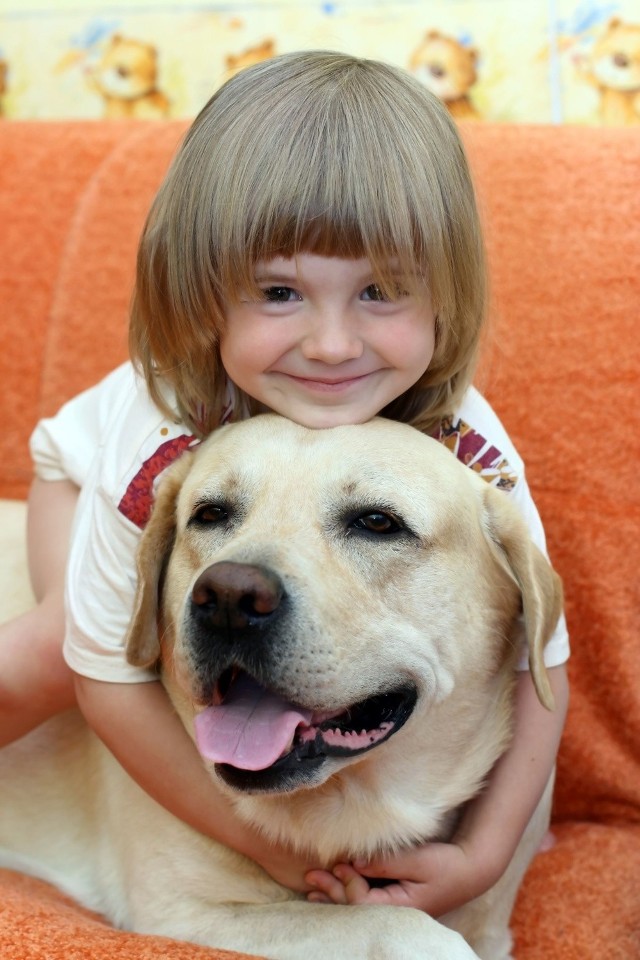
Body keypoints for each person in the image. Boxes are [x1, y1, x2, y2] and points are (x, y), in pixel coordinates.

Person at [0, 50, 569, 917]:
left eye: (380, 290)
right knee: (70, 642)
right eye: (277, 291)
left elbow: (545, 660)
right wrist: (262, 849)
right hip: (77, 485)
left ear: (443, 302)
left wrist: (486, 855)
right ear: (206, 298)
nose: (333, 344)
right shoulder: (160, 428)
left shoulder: (470, 450)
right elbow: (108, 693)